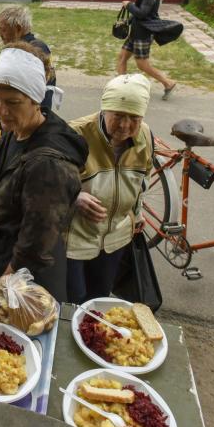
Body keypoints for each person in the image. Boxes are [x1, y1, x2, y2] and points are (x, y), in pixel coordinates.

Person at [0, 43, 88, 302]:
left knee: (24, 332)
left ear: (36, 100)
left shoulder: (47, 164)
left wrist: (6, 279)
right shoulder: (14, 130)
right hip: (7, 247)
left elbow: (36, 245)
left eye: (13, 102)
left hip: (30, 272)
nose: (1, 112)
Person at [67, 74, 154, 303]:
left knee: (99, 301)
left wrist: (137, 212)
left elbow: (141, 181)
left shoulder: (144, 135)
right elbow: (49, 184)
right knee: (72, 301)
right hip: (74, 239)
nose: (125, 125)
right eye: (118, 116)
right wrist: (74, 196)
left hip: (116, 238)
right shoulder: (75, 134)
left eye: (134, 117)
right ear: (104, 110)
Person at [0, 5, 58, 187]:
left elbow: (43, 90)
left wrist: (39, 115)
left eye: (3, 29)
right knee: (4, 145)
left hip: (27, 123)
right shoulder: (15, 49)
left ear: (18, 29)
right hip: (18, 122)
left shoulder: (32, 51)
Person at [117, 0, 177, 100]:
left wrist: (129, 5)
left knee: (142, 64)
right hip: (136, 32)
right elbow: (140, 15)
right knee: (122, 57)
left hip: (143, 34)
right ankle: (120, 87)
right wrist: (128, 22)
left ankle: (168, 82)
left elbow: (143, 13)